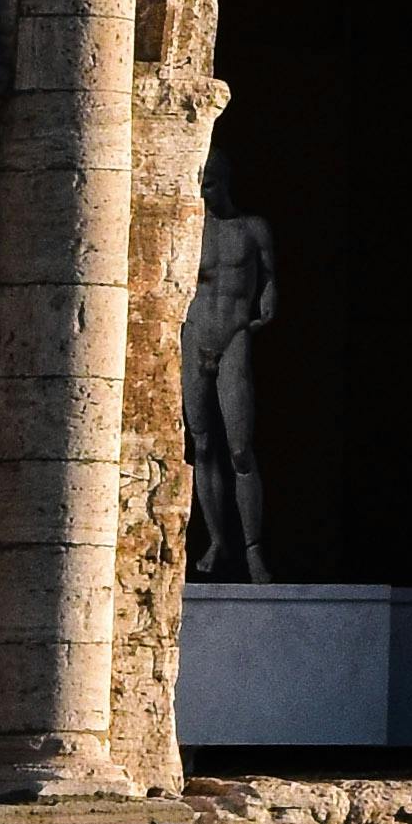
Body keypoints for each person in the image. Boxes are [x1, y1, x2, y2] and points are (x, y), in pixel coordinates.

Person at [182, 187, 280, 579]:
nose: (208, 193)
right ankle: (217, 539)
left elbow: (271, 275)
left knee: (239, 448)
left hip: (234, 334)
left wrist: (270, 296)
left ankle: (253, 547)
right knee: (202, 444)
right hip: (195, 334)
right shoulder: (192, 226)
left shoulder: (252, 229)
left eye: (214, 184)